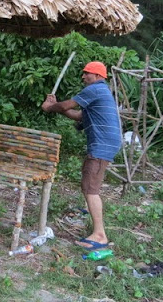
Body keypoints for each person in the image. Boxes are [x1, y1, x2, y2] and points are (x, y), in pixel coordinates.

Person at [41, 61, 121, 250]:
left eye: (87, 73)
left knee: (91, 188)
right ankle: (94, 222)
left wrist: (50, 107)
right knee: (88, 185)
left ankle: (100, 235)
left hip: (102, 145)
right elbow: (78, 116)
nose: (83, 77)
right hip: (104, 143)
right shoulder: (99, 93)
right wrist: (55, 105)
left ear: (98, 76)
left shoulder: (96, 89)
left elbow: (67, 105)